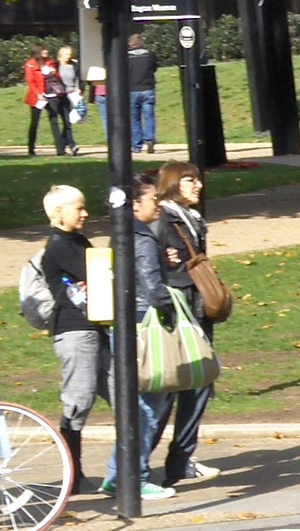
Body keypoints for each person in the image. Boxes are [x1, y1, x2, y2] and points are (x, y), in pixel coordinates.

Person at [101, 173, 177, 501]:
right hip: (143, 326)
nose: (158, 205)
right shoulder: (142, 238)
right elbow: (151, 287)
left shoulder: (121, 236)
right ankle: (135, 476)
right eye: (152, 200)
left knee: (141, 402)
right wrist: (170, 307)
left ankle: (117, 475)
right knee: (148, 405)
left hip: (124, 323)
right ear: (134, 205)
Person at [39, 184, 110, 495]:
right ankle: (74, 475)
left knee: (126, 395)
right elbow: (101, 272)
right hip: (74, 331)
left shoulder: (79, 241)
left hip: (96, 326)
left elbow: (103, 274)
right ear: (58, 214)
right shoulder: (58, 247)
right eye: (79, 209)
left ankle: (129, 472)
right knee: (79, 401)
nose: (86, 213)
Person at [153, 161, 220, 486]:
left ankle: (181, 459)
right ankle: (129, 468)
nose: (198, 186)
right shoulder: (162, 219)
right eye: (190, 180)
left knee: (200, 385)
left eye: (198, 179)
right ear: (173, 183)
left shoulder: (192, 219)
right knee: (169, 389)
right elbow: (156, 270)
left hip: (198, 313)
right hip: (178, 315)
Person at [42, 50, 80, 157]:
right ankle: (69, 144)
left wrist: (79, 88)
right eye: (67, 54)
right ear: (60, 55)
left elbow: (78, 78)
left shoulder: (74, 65)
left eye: (70, 54)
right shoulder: (55, 65)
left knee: (68, 121)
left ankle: (67, 144)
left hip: (69, 94)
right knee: (60, 120)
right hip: (57, 95)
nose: (69, 56)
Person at [126, 33, 159, 154]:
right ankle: (150, 139)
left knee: (135, 119)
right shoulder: (150, 55)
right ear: (142, 43)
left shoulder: (126, 57)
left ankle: (136, 145)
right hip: (148, 88)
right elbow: (154, 68)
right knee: (149, 116)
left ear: (130, 44)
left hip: (133, 89)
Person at [23, 45, 49, 157]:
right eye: (44, 50)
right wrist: (38, 94)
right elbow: (31, 82)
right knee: (35, 122)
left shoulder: (49, 62)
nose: (46, 51)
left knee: (56, 118)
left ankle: (62, 145)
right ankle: (31, 147)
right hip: (36, 97)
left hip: (50, 94)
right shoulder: (31, 64)